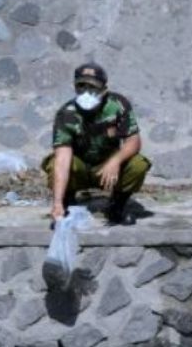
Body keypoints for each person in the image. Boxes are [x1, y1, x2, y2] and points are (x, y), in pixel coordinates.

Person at [42, 63, 151, 226]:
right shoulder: (66, 113)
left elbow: (134, 141)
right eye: (81, 85)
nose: (86, 91)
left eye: (92, 86)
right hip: (80, 169)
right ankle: (66, 204)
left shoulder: (117, 105)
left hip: (108, 169)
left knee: (138, 165)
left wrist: (115, 161)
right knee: (53, 163)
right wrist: (56, 202)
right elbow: (63, 157)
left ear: (104, 89)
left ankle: (117, 206)